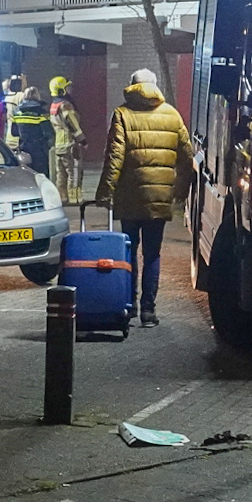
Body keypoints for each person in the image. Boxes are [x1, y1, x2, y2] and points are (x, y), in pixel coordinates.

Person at [95, 68, 192, 328]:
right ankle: (149, 311)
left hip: (130, 197)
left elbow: (114, 158)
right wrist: (179, 192)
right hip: (159, 198)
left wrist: (105, 193)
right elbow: (187, 158)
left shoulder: (122, 114)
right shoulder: (172, 115)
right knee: (153, 254)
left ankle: (130, 306)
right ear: (155, 86)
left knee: (129, 252)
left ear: (131, 86)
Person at [49, 76, 87, 204]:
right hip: (70, 144)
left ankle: (62, 197)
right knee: (74, 173)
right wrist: (82, 140)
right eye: (66, 87)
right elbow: (73, 124)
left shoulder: (54, 105)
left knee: (61, 174)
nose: (69, 89)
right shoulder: (65, 105)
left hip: (59, 144)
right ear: (61, 90)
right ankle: (74, 198)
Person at [9, 88, 54, 177]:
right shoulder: (41, 112)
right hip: (39, 149)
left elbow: (14, 132)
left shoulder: (17, 112)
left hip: (23, 148)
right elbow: (48, 132)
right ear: (37, 96)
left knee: (26, 175)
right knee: (41, 175)